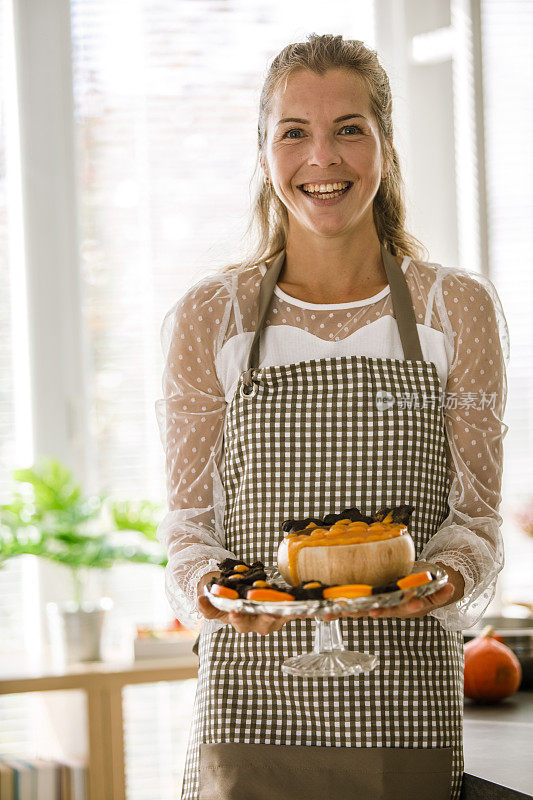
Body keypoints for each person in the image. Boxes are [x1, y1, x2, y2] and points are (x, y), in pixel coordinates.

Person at [155, 33, 509, 800]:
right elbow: (185, 526)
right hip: (250, 704)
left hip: (403, 704)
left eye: (349, 128)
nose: (324, 158)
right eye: (294, 133)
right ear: (263, 153)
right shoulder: (211, 317)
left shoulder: (456, 309)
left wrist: (446, 576)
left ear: (383, 145)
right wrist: (213, 587)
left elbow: (476, 520)